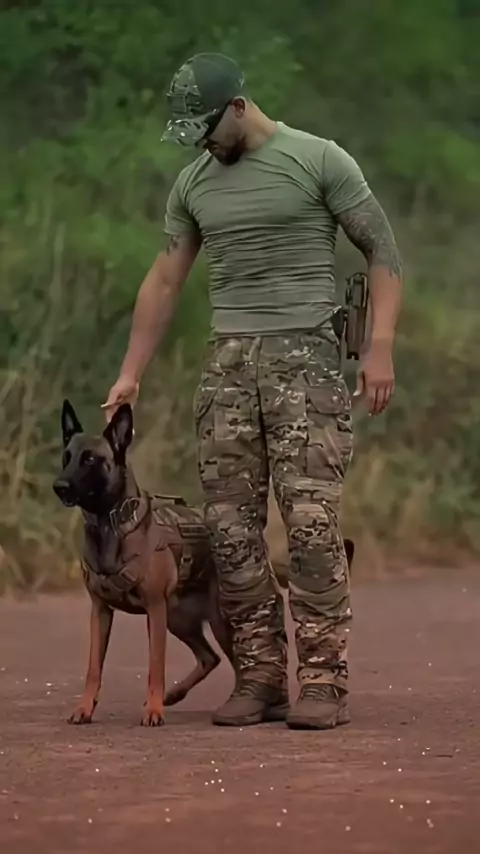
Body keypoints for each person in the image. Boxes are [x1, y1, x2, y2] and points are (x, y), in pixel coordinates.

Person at [103, 53, 402, 730]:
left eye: (208, 129)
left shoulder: (318, 159)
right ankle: (260, 675)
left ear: (239, 108)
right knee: (229, 532)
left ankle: (323, 680)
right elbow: (165, 279)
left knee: (311, 525)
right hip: (229, 366)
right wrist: (130, 371)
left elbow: (382, 250)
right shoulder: (194, 183)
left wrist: (380, 346)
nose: (203, 145)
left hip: (307, 361)